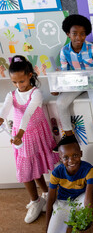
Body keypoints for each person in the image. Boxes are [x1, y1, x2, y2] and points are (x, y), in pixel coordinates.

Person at [0, 55, 59, 223]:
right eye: (15, 82)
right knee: (27, 170)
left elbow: (28, 114)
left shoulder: (36, 93)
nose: (19, 85)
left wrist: (19, 134)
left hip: (33, 135)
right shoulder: (12, 95)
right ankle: (37, 199)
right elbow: (4, 109)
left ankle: (44, 195)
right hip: (20, 139)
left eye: (22, 81)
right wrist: (1, 118)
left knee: (33, 168)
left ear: (30, 76)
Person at [52, 14, 93, 151]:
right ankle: (68, 135)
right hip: (75, 82)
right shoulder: (64, 52)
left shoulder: (92, 49)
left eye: (82, 34)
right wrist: (58, 88)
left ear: (86, 35)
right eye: (74, 34)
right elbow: (64, 73)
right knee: (60, 102)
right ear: (68, 34)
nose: (78, 37)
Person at [46, 137, 93, 233]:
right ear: (60, 158)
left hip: (81, 200)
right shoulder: (56, 173)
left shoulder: (89, 169)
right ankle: (69, 218)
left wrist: (89, 218)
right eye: (66, 157)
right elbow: (51, 199)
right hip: (63, 204)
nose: (71, 160)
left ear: (81, 154)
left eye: (75, 155)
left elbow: (89, 194)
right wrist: (48, 225)